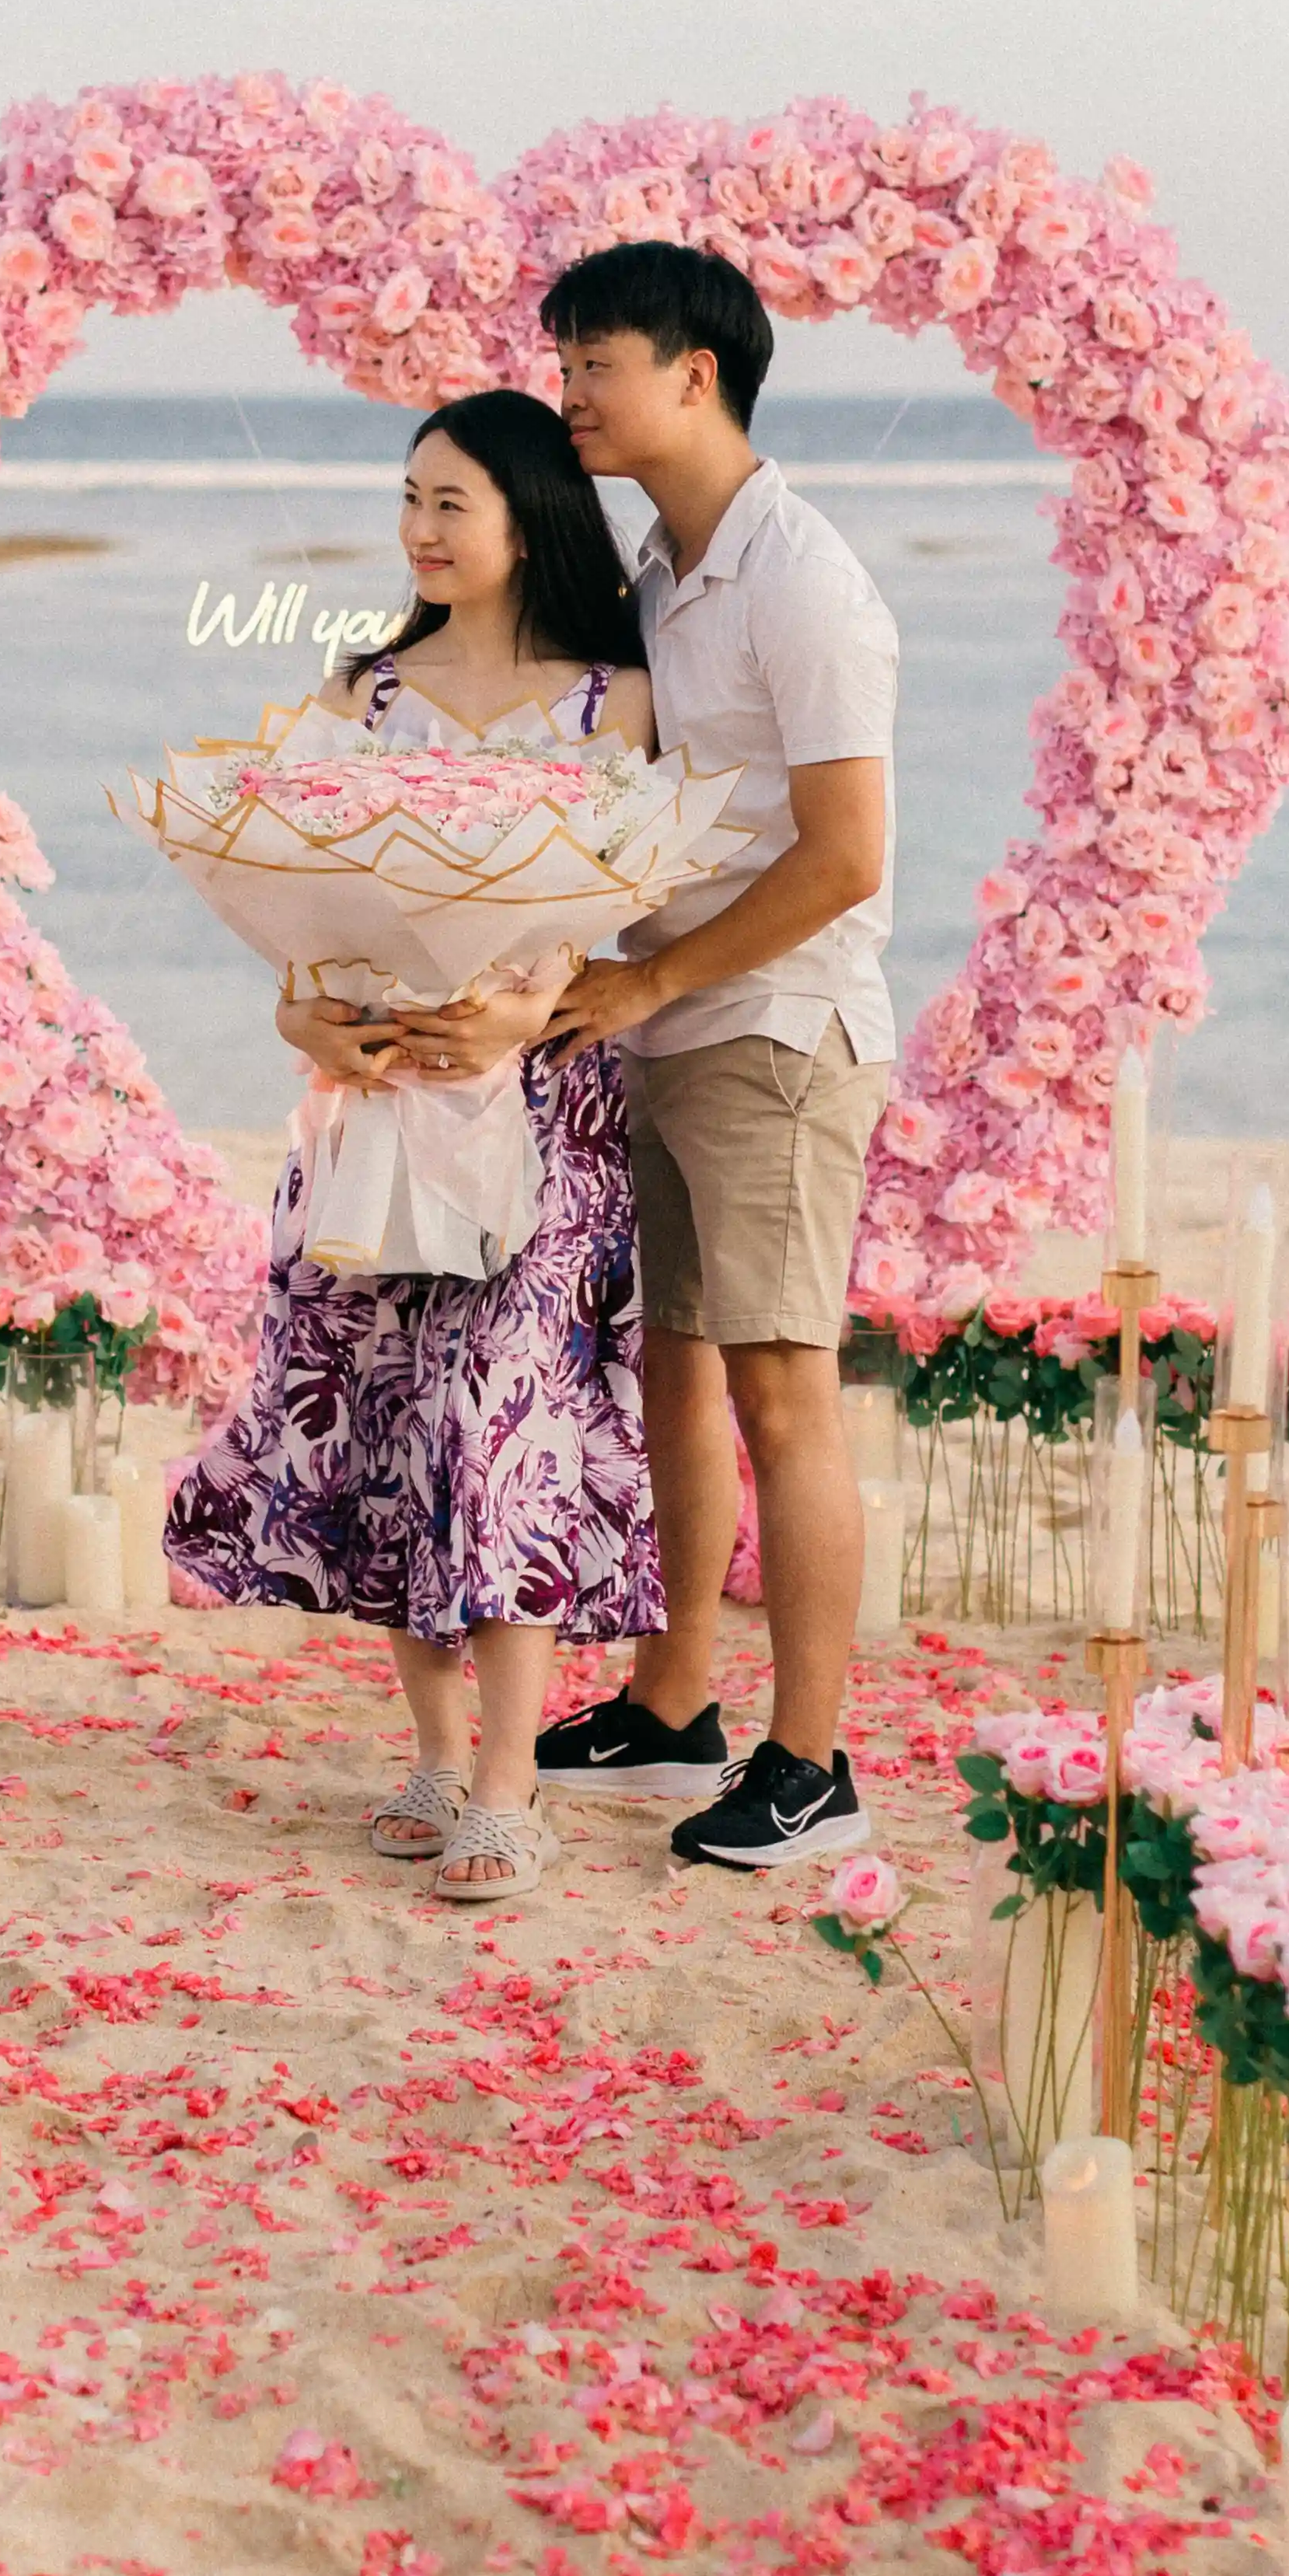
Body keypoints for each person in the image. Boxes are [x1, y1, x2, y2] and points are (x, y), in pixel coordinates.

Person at [165, 389, 662, 1901]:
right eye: (409, 500)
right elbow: (299, 921)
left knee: (504, 1420)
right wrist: (310, 1023)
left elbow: (638, 913)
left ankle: (512, 1783)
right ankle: (439, 1753)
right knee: (386, 1425)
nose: (420, 530)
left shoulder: (616, 700)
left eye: (451, 501)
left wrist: (519, 1007)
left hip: (545, 1120)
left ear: (530, 515)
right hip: (378, 1112)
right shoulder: (360, 693)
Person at [528, 240, 899, 1871]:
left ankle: (811, 1761)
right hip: (679, 1017)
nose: (569, 390)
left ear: (696, 371)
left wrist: (655, 974)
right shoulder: (671, 569)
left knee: (780, 1386)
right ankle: (674, 1703)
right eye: (562, 360)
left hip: (777, 1029)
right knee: (674, 1360)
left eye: (594, 359)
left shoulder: (804, 576)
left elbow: (846, 851)